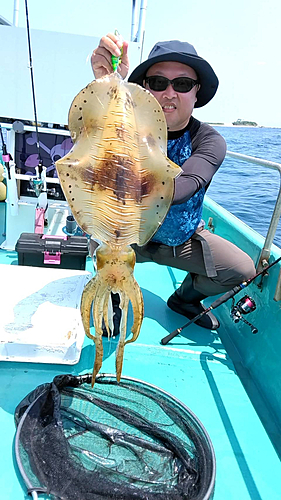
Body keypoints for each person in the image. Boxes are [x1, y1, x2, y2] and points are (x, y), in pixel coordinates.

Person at [91, 33, 256, 333]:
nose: (169, 93)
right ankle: (113, 297)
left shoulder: (208, 140)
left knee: (242, 269)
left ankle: (184, 299)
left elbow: (184, 186)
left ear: (196, 93)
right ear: (145, 90)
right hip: (130, 234)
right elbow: (92, 138)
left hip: (181, 239)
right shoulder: (125, 127)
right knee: (98, 240)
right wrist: (109, 87)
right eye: (157, 83)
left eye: (181, 84)